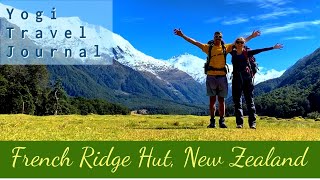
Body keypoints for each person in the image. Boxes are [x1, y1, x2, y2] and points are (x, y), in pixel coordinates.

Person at [174, 29, 261, 128]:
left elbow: (240, 43)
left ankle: (222, 121)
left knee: (221, 100)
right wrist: (182, 35)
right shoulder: (208, 48)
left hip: (222, 76)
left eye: (220, 37)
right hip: (211, 76)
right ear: (213, 38)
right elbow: (194, 42)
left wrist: (251, 36)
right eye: (216, 37)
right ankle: (212, 121)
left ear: (221, 38)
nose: (218, 38)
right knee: (212, 101)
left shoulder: (225, 47)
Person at [231, 37, 283, 129]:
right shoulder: (232, 52)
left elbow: (261, 50)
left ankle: (252, 123)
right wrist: (251, 36)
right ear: (235, 43)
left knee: (249, 101)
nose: (240, 44)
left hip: (247, 79)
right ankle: (239, 124)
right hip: (236, 79)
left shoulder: (247, 52)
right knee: (237, 102)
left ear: (244, 43)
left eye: (242, 42)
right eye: (238, 42)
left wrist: (273, 47)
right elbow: (226, 46)